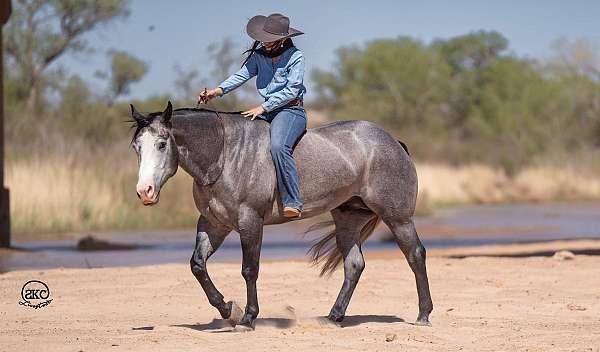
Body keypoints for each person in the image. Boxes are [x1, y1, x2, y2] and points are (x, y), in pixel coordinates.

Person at [198, 13, 307, 218]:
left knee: (278, 146)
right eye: (263, 39)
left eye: (270, 40)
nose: (265, 44)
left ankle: (293, 200)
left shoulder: (296, 57)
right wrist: (217, 91)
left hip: (290, 110)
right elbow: (241, 76)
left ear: (283, 39)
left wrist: (264, 107)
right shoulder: (259, 57)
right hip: (266, 110)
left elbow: (292, 90)